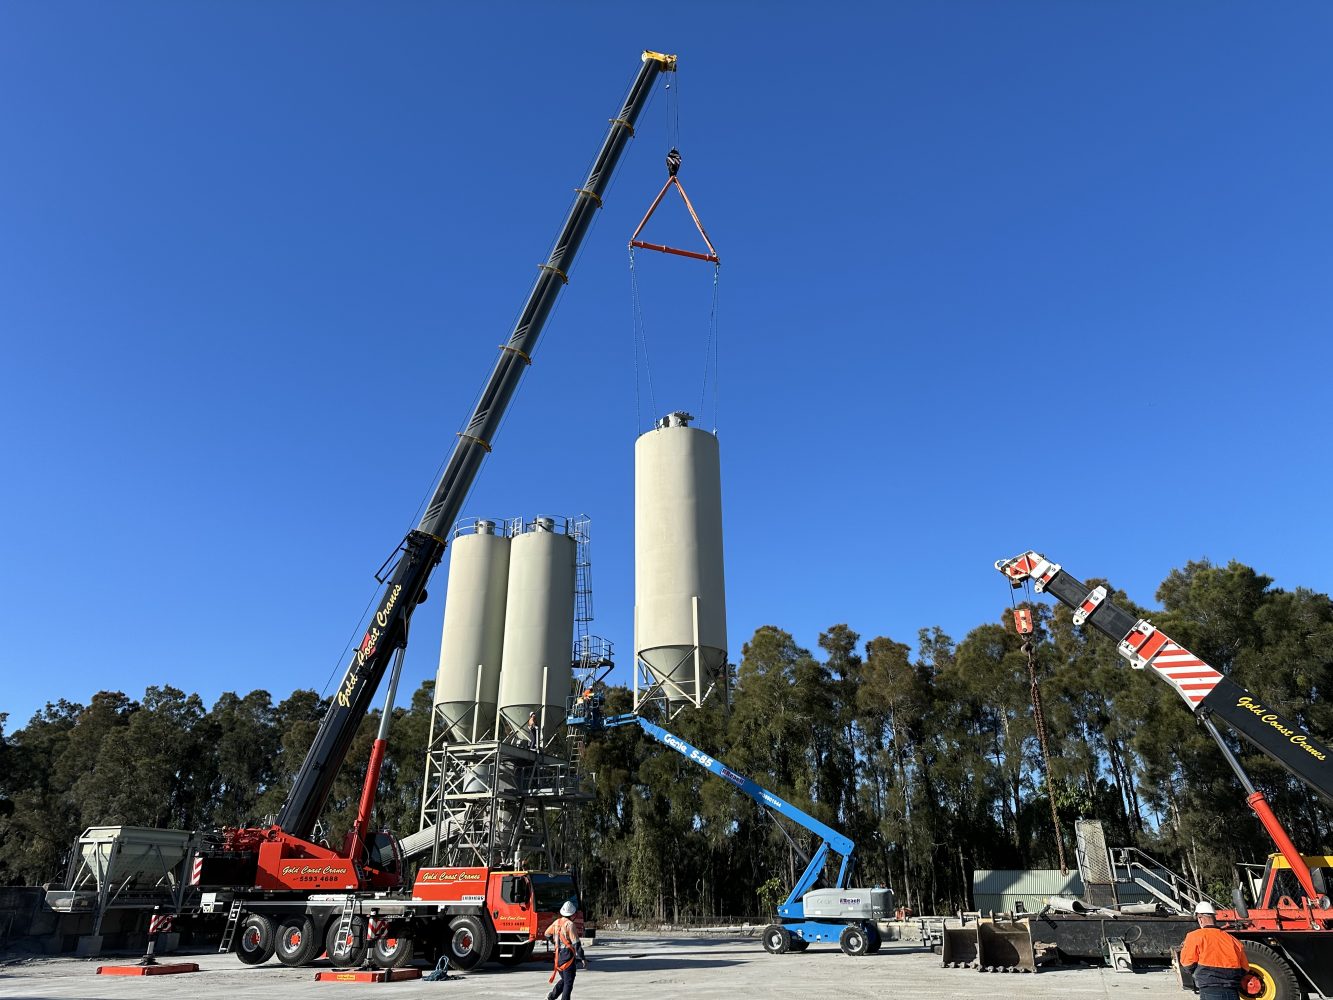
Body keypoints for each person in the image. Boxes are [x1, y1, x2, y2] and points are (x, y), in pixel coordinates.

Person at [1179, 900, 1249, 1000]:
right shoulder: (1233, 940)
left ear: (1200, 919)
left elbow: (1187, 964)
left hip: (1210, 991)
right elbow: (1245, 968)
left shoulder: (1194, 937)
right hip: (1232, 992)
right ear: (1214, 917)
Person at [543, 899, 586, 1000]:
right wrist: (583, 958)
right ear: (572, 914)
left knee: (565, 979)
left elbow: (547, 933)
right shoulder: (570, 925)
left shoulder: (556, 922)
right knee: (568, 983)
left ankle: (551, 996)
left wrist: (554, 942)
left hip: (558, 956)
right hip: (568, 957)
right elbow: (576, 944)